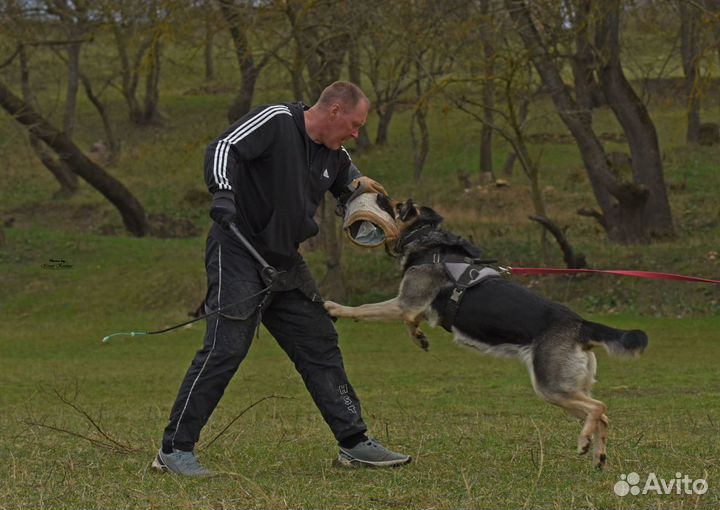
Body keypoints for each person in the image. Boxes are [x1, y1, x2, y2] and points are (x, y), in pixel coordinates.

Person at [151, 81, 411, 476]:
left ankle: (354, 443)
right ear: (335, 111)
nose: (357, 133)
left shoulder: (336, 156)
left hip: (285, 261)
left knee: (319, 342)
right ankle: (174, 451)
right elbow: (222, 149)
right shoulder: (276, 121)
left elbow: (353, 192)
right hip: (238, 250)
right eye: (355, 124)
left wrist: (371, 210)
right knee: (226, 348)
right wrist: (222, 193)